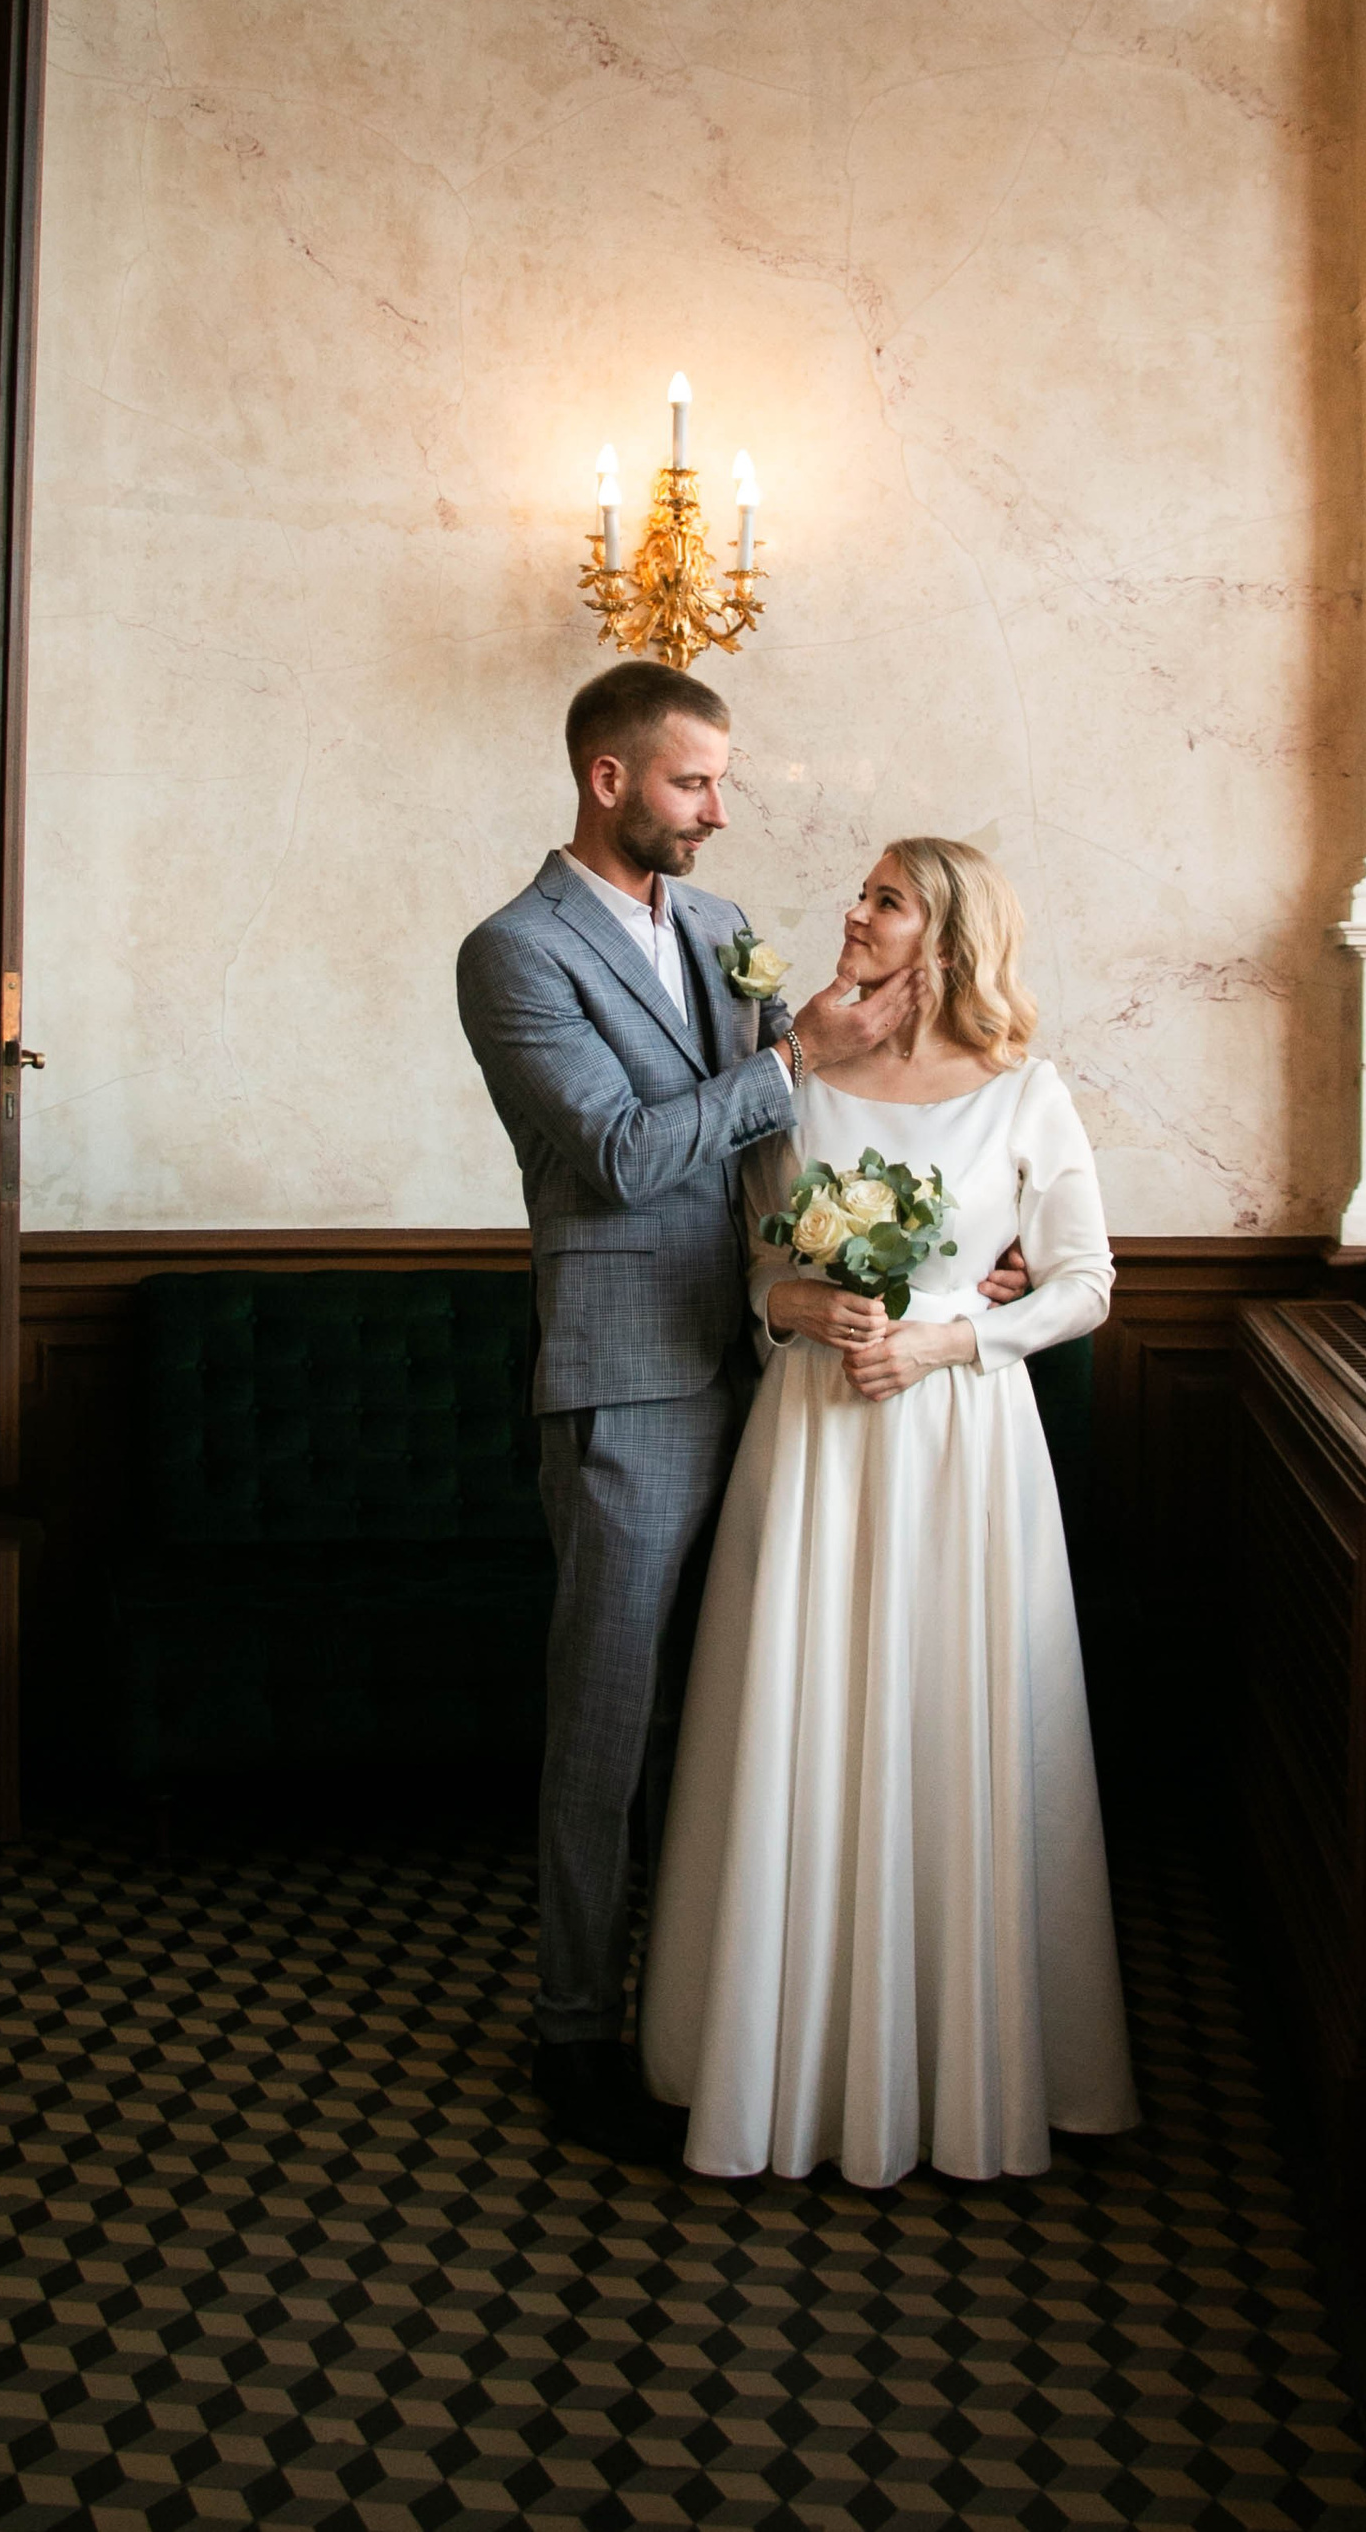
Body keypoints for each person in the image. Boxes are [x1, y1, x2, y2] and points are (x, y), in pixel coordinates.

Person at [456, 670, 1026, 2165]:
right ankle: (576, 2027)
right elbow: (623, 1154)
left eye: (720, 780)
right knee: (612, 1718)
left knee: (746, 1709)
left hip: (783, 1380)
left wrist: (979, 1248)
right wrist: (791, 1057)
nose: (721, 810)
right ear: (609, 780)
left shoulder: (722, 929)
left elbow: (818, 1133)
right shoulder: (514, 952)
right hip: (631, 1375)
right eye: (694, 783)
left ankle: (725, 2019)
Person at [639, 837, 1140, 2185]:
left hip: (962, 1442)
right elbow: (753, 1263)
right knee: (797, 1709)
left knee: (953, 1706)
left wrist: (948, 1343)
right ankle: (776, 2067)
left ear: (949, 937)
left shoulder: (1026, 1093)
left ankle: (967, 2066)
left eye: (885, 900)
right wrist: (794, 1303)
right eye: (860, 894)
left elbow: (1084, 1283)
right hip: (813, 1438)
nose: (853, 913)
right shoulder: (796, 1084)